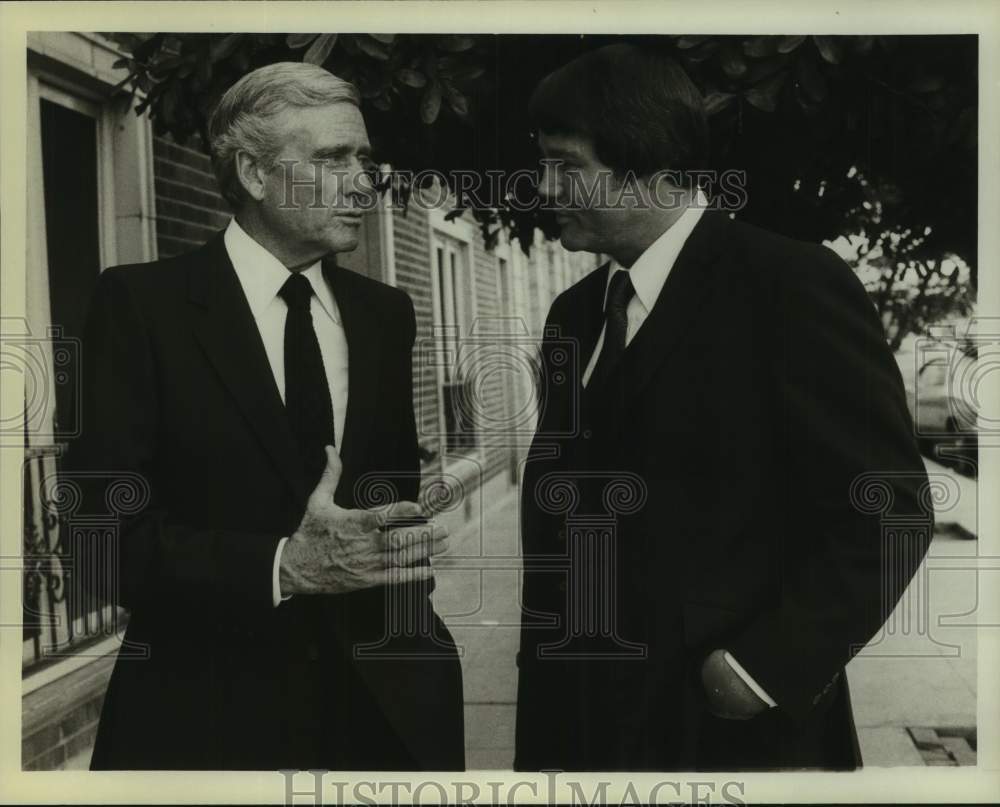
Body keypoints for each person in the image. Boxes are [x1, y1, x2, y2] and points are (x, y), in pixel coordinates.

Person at [514, 44, 931, 771]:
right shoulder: (573, 315)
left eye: (565, 165)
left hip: (730, 739)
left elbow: (888, 509)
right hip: (580, 727)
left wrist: (764, 669)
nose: (542, 187)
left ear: (647, 162)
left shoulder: (789, 285)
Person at [68, 62, 464, 770]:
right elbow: (98, 541)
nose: (362, 182)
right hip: (207, 721)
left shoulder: (384, 315)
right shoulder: (142, 308)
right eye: (332, 159)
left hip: (384, 716)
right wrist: (284, 565)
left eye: (364, 158)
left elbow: (385, 505)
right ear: (253, 174)